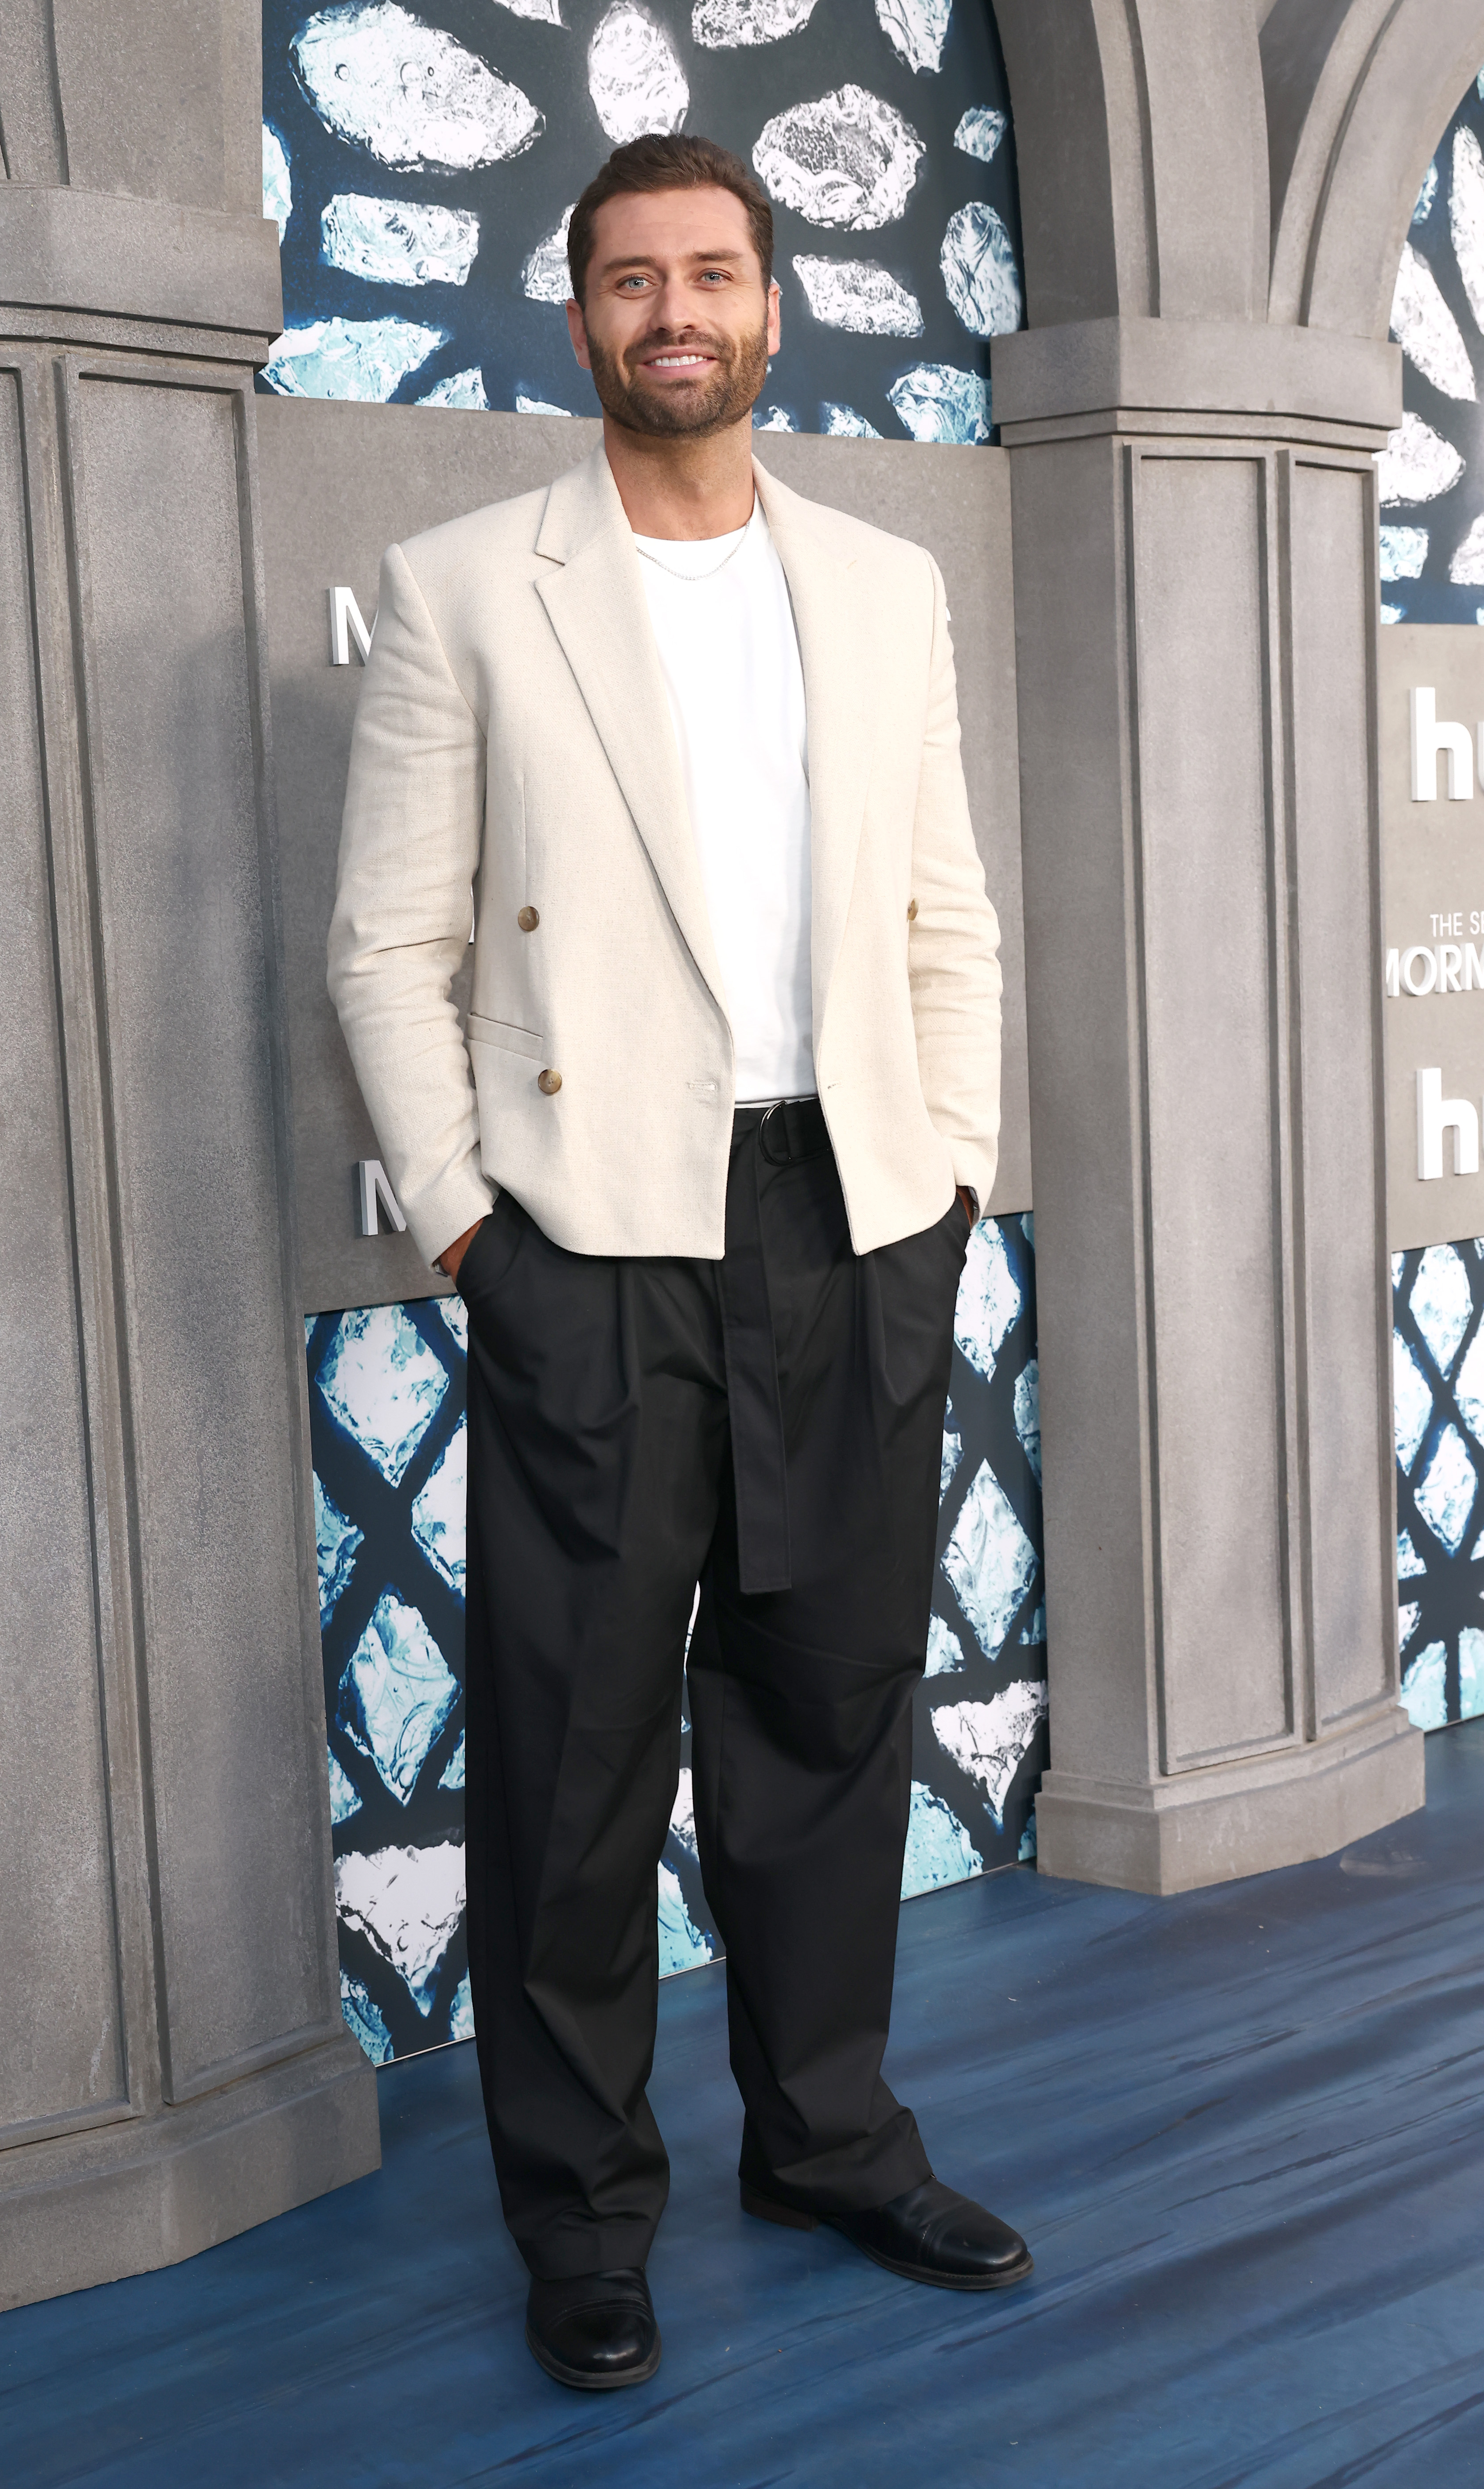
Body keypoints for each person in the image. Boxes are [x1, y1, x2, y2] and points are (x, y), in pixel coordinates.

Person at [327, 132, 1028, 2392]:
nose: (675, 314)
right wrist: (465, 1218)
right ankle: (582, 2210)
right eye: (632, 281)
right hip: (591, 1239)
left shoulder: (886, 583)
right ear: (581, 317)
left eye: (711, 273)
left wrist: (948, 1176)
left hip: (855, 1214)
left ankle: (825, 2135)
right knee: (577, 1741)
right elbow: (386, 944)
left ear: (770, 303)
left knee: (827, 1704)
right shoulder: (464, 586)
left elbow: (941, 908)